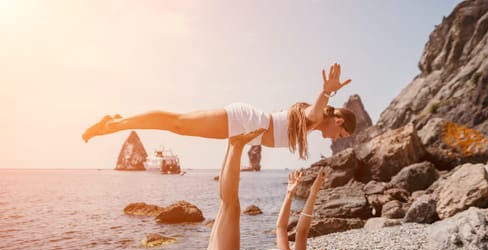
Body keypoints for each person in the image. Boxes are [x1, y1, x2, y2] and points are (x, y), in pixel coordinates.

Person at [82, 63, 355, 159]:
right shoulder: (315, 118)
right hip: (242, 121)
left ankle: (116, 122)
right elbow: (316, 110)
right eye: (340, 133)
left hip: (242, 128)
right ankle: (115, 123)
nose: (335, 138)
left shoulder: (313, 123)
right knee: (177, 123)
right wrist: (327, 91)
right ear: (338, 119)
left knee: (178, 125)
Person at [203, 128, 355, 250]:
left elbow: (302, 233)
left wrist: (314, 190)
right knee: (226, 203)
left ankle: (237, 145)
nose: (323, 249)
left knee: (231, 205)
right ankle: (232, 143)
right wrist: (289, 194)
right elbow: (281, 227)